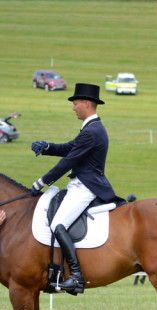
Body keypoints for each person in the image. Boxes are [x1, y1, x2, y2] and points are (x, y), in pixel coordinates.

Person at [30, 83, 125, 294]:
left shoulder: (93, 131)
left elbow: (69, 161)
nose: (73, 108)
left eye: (75, 104)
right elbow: (69, 148)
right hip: (80, 184)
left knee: (58, 224)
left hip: (86, 187)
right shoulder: (90, 129)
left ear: (86, 104)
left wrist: (42, 182)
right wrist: (47, 147)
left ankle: (76, 276)